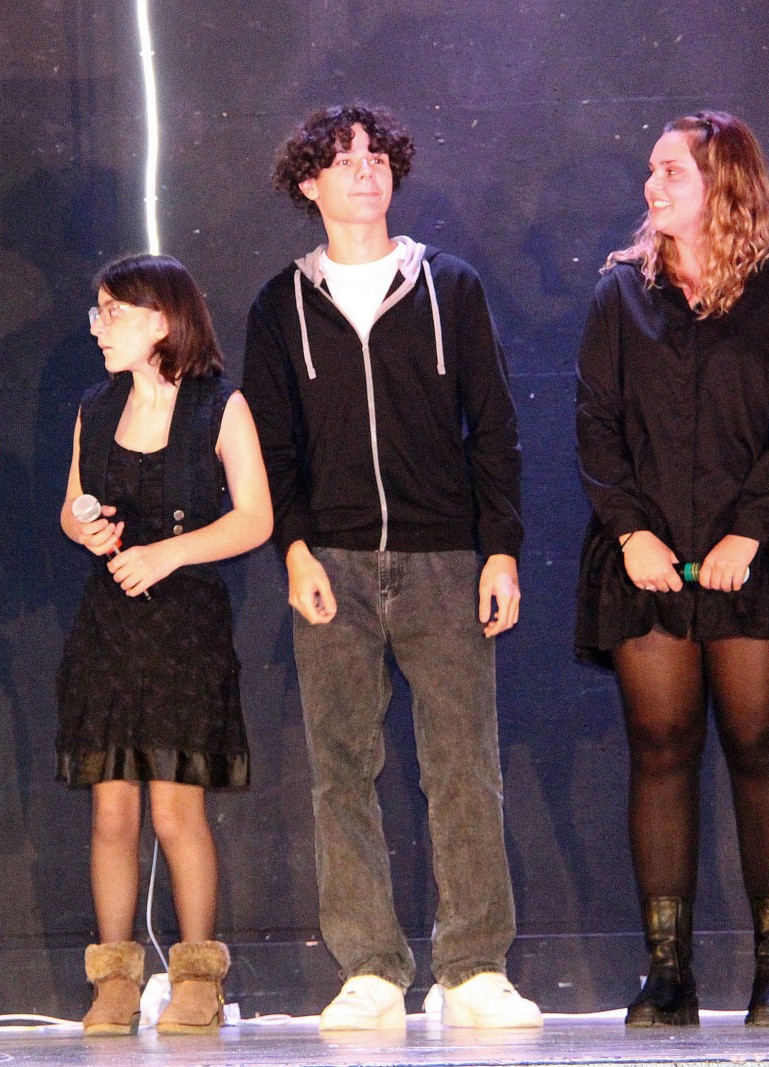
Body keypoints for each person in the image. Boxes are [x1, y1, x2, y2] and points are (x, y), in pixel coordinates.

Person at [242, 104, 542, 1031]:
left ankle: (474, 966)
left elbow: (493, 425)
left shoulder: (451, 286)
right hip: (330, 561)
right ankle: (369, 967)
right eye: (342, 159)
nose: (364, 170)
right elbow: (271, 443)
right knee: (340, 768)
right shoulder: (281, 304)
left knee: (463, 765)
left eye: (376, 155)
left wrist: (500, 548)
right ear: (309, 183)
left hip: (445, 558)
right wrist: (294, 548)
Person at [575, 110, 769, 1027]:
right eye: (651, 171)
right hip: (645, 557)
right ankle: (669, 973)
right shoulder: (621, 293)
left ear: (722, 183)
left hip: (756, 558)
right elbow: (596, 424)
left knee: (760, 745)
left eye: (672, 172)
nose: (651, 186)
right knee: (659, 749)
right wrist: (630, 534)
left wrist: (748, 533)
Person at [57, 254, 272, 1036]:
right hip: (110, 627)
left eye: (113, 313)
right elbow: (70, 508)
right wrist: (86, 529)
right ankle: (115, 980)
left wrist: (166, 554)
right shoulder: (95, 406)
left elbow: (255, 517)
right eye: (98, 312)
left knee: (178, 808)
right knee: (112, 809)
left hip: (186, 626)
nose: (99, 327)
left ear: (161, 319)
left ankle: (197, 977)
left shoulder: (221, 405)